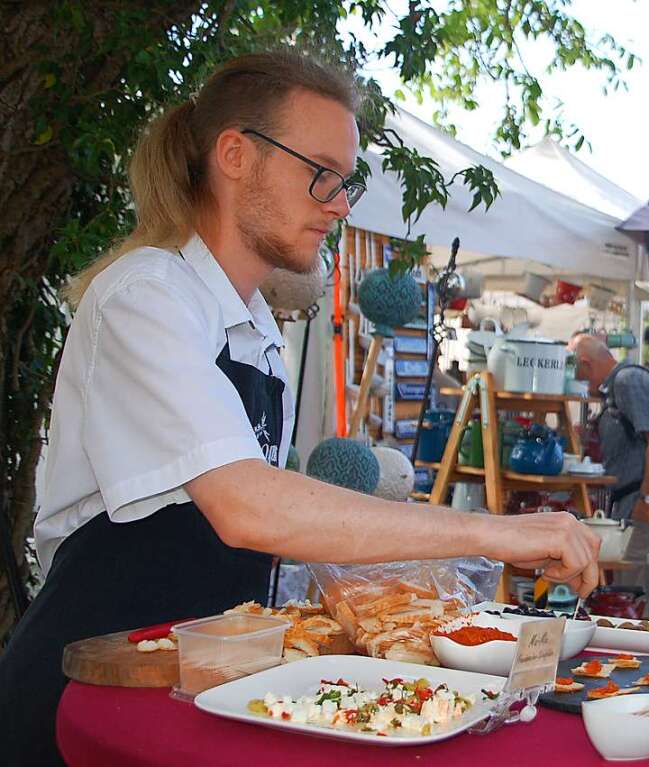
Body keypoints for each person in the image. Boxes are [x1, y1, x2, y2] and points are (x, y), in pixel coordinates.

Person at [0, 51, 600, 766]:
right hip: (90, 700)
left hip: (199, 690)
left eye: (344, 181)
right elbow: (248, 506)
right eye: (319, 171)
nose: (339, 203)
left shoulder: (256, 333)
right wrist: (489, 533)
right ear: (235, 155)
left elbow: (265, 533)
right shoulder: (145, 297)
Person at [570, 334, 649, 619]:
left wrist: (646, 500)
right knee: (634, 594)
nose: (584, 385)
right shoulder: (618, 386)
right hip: (641, 506)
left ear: (586, 364)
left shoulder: (627, 382)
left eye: (580, 376)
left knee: (647, 599)